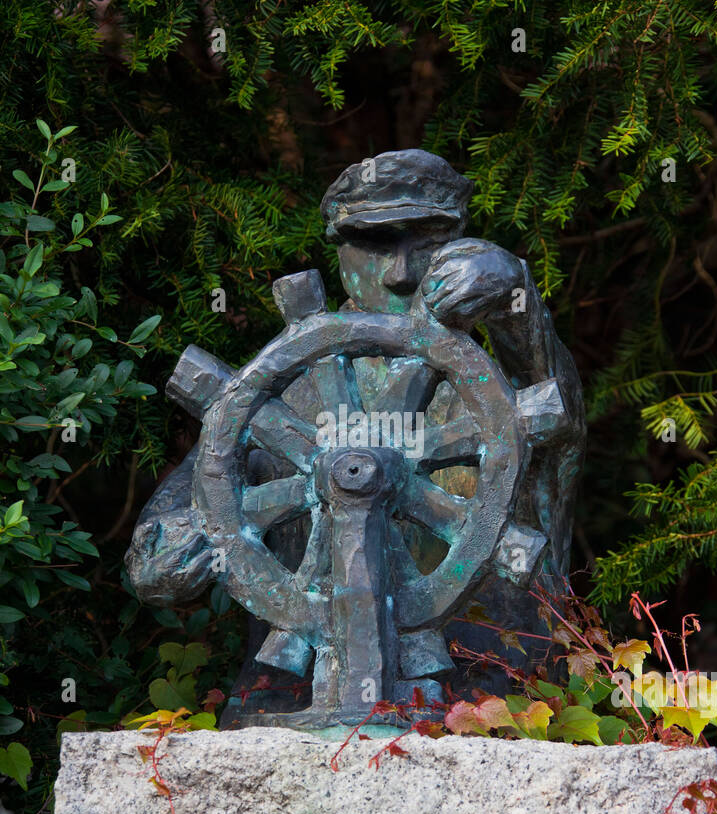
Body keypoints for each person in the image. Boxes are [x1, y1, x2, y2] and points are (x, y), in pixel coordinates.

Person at [126, 149, 585, 720]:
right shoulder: (281, 399)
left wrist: (517, 299)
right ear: (338, 250)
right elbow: (162, 549)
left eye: (425, 243)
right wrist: (177, 545)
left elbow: (557, 410)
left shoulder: (498, 397)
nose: (401, 273)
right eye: (374, 243)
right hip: (290, 709)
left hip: (498, 707)